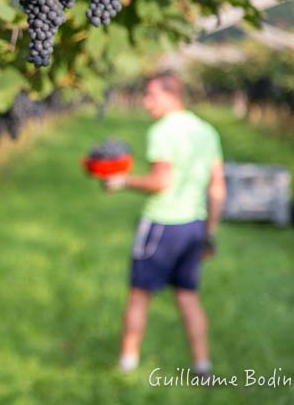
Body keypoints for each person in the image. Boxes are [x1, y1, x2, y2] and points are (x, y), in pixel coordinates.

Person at [103, 72, 226, 378]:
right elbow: (217, 186)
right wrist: (210, 231)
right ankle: (202, 366)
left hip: (162, 225)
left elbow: (160, 182)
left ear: (171, 96)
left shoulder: (163, 131)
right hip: (194, 226)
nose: (146, 103)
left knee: (139, 294)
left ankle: (127, 363)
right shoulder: (206, 130)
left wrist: (121, 181)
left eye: (151, 95)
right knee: (187, 295)